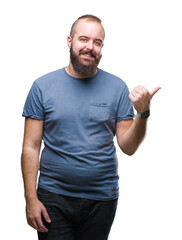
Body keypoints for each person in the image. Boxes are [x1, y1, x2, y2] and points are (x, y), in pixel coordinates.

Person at [21, 14, 160, 240]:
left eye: (97, 42)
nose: (90, 47)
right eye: (83, 39)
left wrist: (142, 113)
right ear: (70, 41)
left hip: (101, 198)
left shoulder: (117, 87)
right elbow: (30, 146)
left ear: (102, 47)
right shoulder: (42, 87)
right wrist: (30, 198)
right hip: (53, 197)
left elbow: (128, 146)